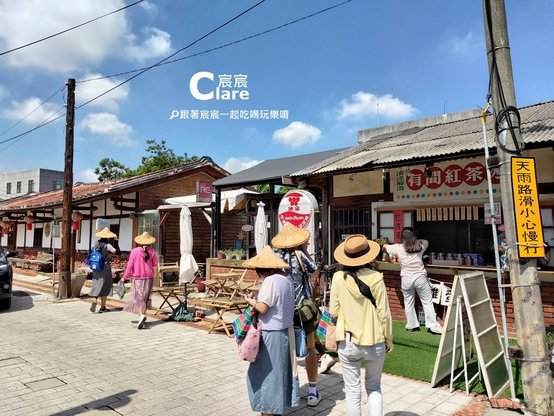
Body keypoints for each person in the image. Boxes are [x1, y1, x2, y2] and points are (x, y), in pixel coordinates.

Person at [330, 234, 393, 416]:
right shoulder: (376, 277)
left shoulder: (338, 278)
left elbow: (333, 311)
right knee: (374, 387)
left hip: (348, 341)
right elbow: (384, 313)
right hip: (375, 340)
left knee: (352, 391)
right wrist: (388, 339)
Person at [243, 245, 299, 416]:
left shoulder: (270, 281)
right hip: (285, 333)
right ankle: (277, 408)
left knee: (264, 375)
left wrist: (250, 301)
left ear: (263, 270)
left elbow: (263, 307)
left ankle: (268, 410)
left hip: (271, 334)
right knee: (279, 374)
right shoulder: (287, 278)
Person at [272, 223, 323, 407]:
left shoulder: (274, 257)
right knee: (310, 348)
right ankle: (311, 391)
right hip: (302, 309)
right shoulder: (299, 255)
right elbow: (315, 271)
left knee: (285, 351)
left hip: (280, 310)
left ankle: (284, 391)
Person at [383, 228, 442, 334]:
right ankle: (432, 325)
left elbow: (384, 247)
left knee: (408, 302)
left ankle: (412, 325)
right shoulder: (421, 245)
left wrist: (386, 246)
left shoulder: (397, 248)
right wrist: (415, 239)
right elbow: (426, 241)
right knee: (427, 301)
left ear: (402, 238)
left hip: (406, 278)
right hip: (420, 277)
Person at [121, 232, 158, 329]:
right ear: (150, 242)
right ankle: (142, 317)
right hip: (149, 279)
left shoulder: (134, 251)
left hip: (138, 279)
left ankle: (141, 316)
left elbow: (130, 266)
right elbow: (154, 266)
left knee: (138, 299)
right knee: (144, 299)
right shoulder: (153, 252)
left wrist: (124, 277)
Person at [88, 227, 121, 313]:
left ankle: (95, 300)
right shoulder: (107, 246)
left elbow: (91, 253)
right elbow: (118, 252)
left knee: (96, 284)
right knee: (105, 286)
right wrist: (116, 240)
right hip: (105, 267)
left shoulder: (94, 244)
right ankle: (103, 307)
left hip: (96, 267)